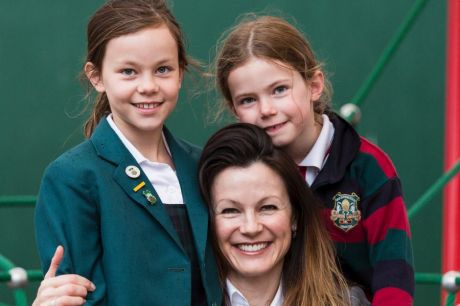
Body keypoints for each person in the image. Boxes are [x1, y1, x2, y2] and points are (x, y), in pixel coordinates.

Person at [213, 15, 414, 306]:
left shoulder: (368, 168)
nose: (266, 109)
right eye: (248, 100)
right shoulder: (237, 170)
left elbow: (394, 273)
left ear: (314, 85)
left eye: (279, 90)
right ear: (233, 108)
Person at [33, 0, 221, 305]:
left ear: (180, 73)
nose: (148, 86)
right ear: (96, 77)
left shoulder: (202, 166)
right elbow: (78, 294)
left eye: (162, 69)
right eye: (128, 71)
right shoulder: (71, 177)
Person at [198, 123, 350, 306]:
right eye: (230, 210)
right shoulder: (177, 299)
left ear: (295, 217)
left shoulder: (346, 302)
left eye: (268, 207)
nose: (251, 228)